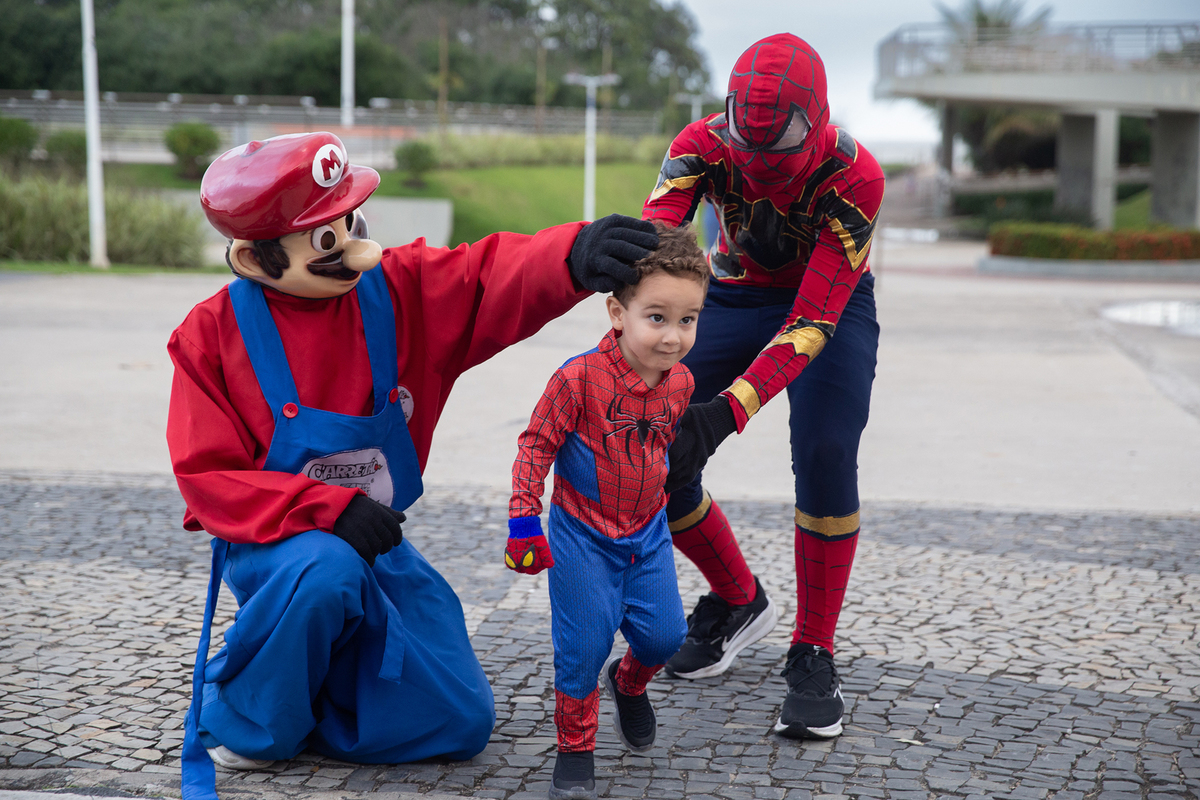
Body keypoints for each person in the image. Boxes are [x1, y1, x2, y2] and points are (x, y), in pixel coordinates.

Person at [166, 132, 658, 800]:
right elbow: (208, 476)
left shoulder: (394, 289)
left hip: (375, 540)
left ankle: (314, 694)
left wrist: (570, 255)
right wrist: (326, 510)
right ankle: (249, 717)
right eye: (327, 238)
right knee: (324, 572)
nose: (356, 248)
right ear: (255, 257)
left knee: (461, 721)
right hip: (278, 547)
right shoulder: (209, 335)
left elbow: (483, 276)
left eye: (352, 223)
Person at [644, 33, 885, 739]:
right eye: (745, 144)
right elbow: (651, 252)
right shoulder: (699, 145)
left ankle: (813, 649)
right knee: (651, 438)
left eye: (775, 146)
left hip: (829, 303)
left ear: (817, 122)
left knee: (827, 451)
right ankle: (737, 599)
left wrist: (726, 412)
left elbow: (810, 323)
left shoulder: (857, 176)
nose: (755, 163)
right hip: (733, 292)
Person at [504, 224, 708, 800]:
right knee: (584, 647)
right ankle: (576, 751)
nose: (672, 336)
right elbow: (536, 446)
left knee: (666, 638)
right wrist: (523, 519)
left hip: (647, 533)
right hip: (582, 536)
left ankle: (630, 683)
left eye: (687, 319)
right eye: (657, 317)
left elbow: (663, 444)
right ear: (618, 312)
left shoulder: (681, 382)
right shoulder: (577, 378)